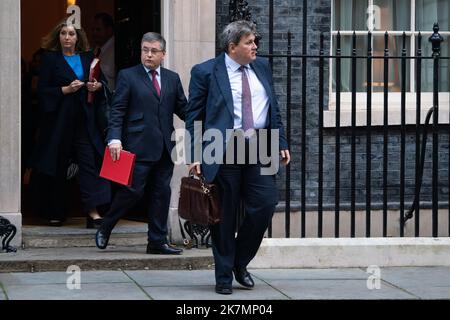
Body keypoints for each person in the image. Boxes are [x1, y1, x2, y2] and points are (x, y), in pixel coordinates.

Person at [186, 20, 291, 295]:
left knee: (265, 204)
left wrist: (279, 141)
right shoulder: (205, 72)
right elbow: (193, 116)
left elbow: (273, 107)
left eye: (255, 42)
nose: (255, 46)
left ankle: (239, 262)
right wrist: (195, 154)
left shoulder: (262, 67)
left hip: (260, 144)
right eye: (249, 42)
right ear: (233, 47)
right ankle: (223, 275)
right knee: (224, 214)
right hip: (222, 147)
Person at [95, 32, 187, 255]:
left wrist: (208, 119)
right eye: (145, 50)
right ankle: (106, 226)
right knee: (133, 191)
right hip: (137, 144)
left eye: (154, 51)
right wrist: (114, 138)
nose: (148, 54)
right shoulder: (128, 76)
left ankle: (156, 241)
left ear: (163, 54)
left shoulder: (172, 78)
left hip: (166, 146)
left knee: (161, 193)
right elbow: (117, 110)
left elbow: (184, 109)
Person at [32, 20, 111, 228]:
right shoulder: (50, 59)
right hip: (59, 122)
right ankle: (56, 212)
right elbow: (42, 92)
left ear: (78, 38)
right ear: (58, 37)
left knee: (88, 164)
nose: (67, 37)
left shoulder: (88, 58)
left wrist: (96, 86)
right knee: (58, 166)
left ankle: (93, 213)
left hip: (84, 120)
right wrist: (65, 90)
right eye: (63, 33)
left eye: (71, 34)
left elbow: (102, 84)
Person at [92, 13, 116, 90]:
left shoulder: (116, 49)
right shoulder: (96, 49)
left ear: (109, 30)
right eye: (93, 30)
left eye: (98, 29)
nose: (94, 33)